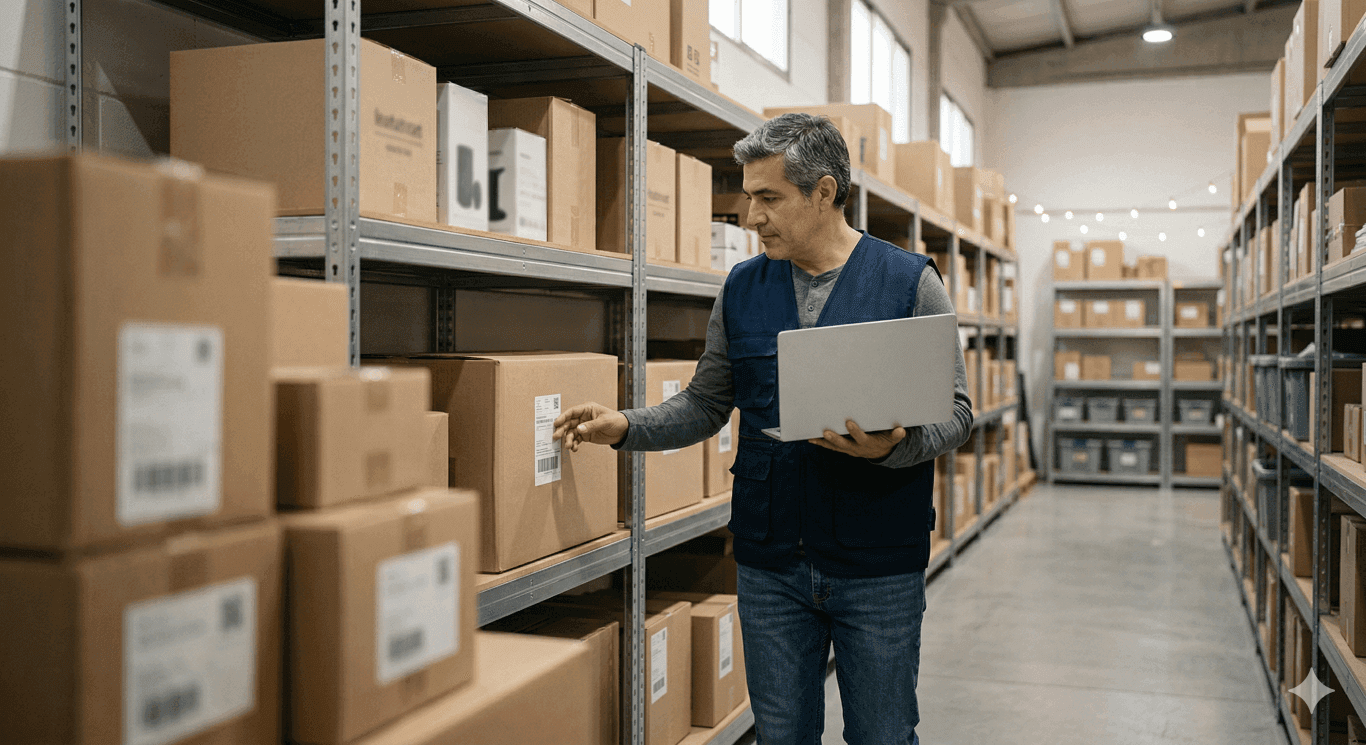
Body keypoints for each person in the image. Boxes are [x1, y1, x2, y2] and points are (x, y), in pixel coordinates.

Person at [552, 113, 972, 745]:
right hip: (771, 561)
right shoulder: (742, 287)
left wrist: (897, 446)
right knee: (779, 735)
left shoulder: (910, 282)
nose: (751, 218)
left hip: (878, 561)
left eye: (768, 198)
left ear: (824, 193)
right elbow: (704, 403)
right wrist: (625, 426)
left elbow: (958, 413)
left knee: (883, 734)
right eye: (748, 197)